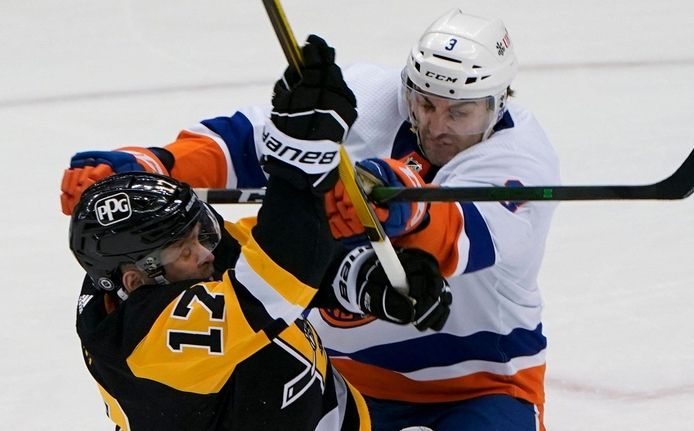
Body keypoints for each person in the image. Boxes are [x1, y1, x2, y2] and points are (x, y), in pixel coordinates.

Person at [61, 8, 559, 430]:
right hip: (346, 375)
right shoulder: (372, 95)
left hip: (478, 378)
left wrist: (391, 211)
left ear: (498, 104)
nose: (434, 125)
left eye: (459, 113)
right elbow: (251, 143)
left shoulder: (522, 158)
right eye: (424, 103)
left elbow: (464, 234)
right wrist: (162, 164)